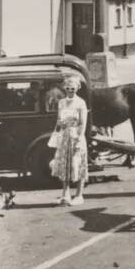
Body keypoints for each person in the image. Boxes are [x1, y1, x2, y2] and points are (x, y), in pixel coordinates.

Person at [50, 75, 89, 205]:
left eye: (73, 88)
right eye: (68, 88)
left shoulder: (81, 102)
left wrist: (79, 138)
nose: (70, 91)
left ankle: (79, 195)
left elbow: (83, 123)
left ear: (77, 88)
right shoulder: (61, 102)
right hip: (64, 136)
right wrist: (56, 134)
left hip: (76, 136)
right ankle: (65, 194)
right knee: (64, 165)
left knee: (78, 163)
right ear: (64, 88)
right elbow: (58, 121)